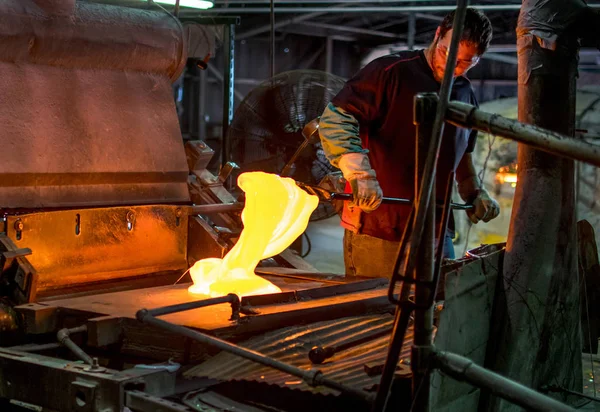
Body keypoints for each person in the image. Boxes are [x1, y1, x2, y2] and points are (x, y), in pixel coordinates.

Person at [318, 7, 500, 278]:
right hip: (377, 229)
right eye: (446, 53)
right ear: (438, 35)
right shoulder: (389, 72)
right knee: (375, 314)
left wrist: (473, 191)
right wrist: (359, 173)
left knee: (434, 313)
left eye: (465, 62)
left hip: (437, 232)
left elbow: (460, 153)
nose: (452, 67)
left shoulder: (465, 93)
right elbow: (337, 119)